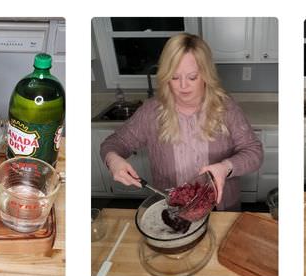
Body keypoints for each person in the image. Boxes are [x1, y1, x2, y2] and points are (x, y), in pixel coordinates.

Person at [100, 33, 264, 211]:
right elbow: (114, 143)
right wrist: (113, 160)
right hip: (172, 208)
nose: (183, 86)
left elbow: (254, 152)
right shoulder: (151, 112)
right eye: (175, 77)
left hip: (220, 209)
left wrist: (226, 167)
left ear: (206, 75)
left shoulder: (226, 108)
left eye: (192, 77)